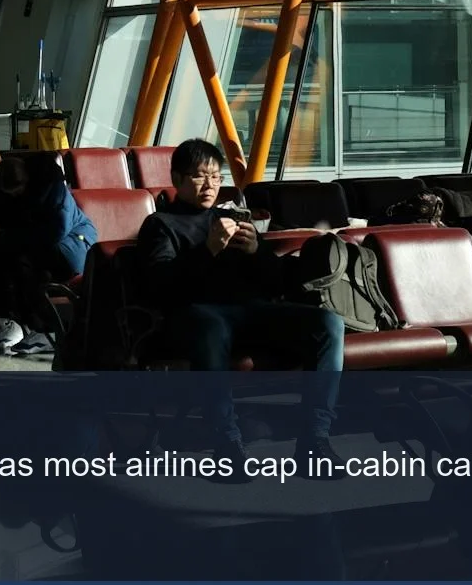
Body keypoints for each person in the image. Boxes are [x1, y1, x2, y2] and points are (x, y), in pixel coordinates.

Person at [136, 139, 342, 471]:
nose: (210, 185)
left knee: (327, 323)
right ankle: (226, 441)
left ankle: (315, 440)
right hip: (194, 317)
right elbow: (161, 288)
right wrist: (208, 251)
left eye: (216, 177)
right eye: (200, 176)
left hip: (249, 313)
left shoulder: (230, 218)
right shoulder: (160, 225)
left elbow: (275, 284)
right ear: (176, 179)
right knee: (210, 324)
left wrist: (256, 253)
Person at [0, 155, 97, 357]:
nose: (15, 196)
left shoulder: (54, 190)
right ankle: (14, 323)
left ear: (26, 180)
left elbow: (55, 232)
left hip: (75, 244)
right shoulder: (19, 191)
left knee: (22, 262)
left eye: (17, 191)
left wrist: (12, 238)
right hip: (46, 245)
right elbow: (0, 200)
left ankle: (44, 329)